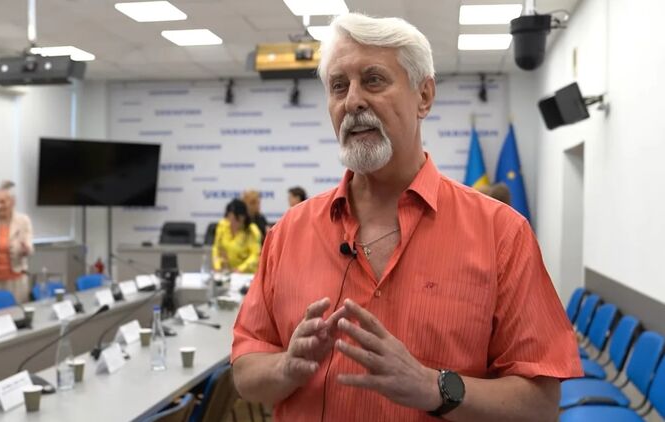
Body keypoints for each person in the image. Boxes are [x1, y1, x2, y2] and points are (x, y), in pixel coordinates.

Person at [231, 13, 581, 422]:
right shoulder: (288, 233)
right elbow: (245, 371)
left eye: (373, 80)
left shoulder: (501, 233)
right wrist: (286, 368)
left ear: (424, 97)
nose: (353, 101)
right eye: (339, 86)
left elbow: (540, 405)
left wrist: (434, 388)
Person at [211, 199, 262, 274]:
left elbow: (255, 255)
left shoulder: (252, 231)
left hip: (247, 274)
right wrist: (217, 266)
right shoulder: (222, 225)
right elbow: (216, 248)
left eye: (236, 219)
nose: (232, 222)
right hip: (227, 272)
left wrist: (240, 269)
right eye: (229, 218)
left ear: (243, 217)